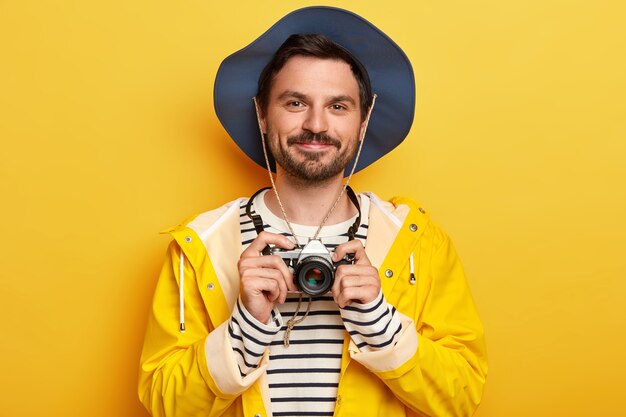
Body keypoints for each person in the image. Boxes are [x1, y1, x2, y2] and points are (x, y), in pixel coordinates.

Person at [138, 6, 487, 417]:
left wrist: (378, 320)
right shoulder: (201, 247)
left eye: (338, 106)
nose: (317, 125)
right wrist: (245, 323)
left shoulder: (417, 242)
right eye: (295, 102)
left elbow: (462, 398)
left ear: (363, 121)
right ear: (262, 115)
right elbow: (165, 405)